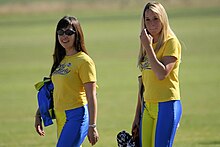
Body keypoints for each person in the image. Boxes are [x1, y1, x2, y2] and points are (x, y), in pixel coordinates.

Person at [34, 16, 99, 147]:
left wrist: (92, 125)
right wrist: (39, 114)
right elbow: (55, 90)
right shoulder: (60, 60)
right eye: (60, 32)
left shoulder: (84, 61)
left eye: (69, 32)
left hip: (77, 115)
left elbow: (91, 96)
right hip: (61, 115)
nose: (64, 36)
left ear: (77, 34)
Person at [132, 2, 182, 147]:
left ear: (163, 19)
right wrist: (137, 116)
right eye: (147, 19)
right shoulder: (147, 43)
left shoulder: (171, 42)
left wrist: (148, 47)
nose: (151, 23)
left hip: (167, 104)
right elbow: (144, 83)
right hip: (148, 106)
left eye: (156, 18)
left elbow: (162, 74)